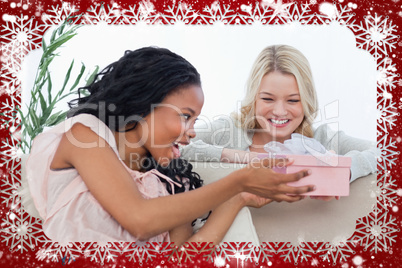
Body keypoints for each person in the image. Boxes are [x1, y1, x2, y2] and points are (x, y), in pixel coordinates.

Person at [26, 47, 315, 245]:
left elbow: (183, 259)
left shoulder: (165, 185)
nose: (191, 133)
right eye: (186, 116)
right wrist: (238, 179)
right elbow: (139, 219)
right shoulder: (84, 135)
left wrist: (239, 196)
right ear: (145, 101)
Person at [182, 45, 377, 198]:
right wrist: (251, 159)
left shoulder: (322, 138)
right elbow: (173, 145)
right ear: (254, 98)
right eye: (268, 99)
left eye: (293, 100)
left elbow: (389, 150)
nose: (279, 111)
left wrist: (344, 171)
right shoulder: (228, 131)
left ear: (307, 100)